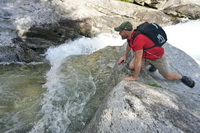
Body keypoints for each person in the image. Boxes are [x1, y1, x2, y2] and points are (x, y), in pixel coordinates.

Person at [114, 21, 195, 88]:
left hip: (157, 58)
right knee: (131, 66)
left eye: (120, 32)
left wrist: (134, 77)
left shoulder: (138, 40)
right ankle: (152, 65)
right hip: (146, 56)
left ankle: (183, 78)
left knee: (167, 76)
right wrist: (124, 55)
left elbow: (138, 60)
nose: (119, 33)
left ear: (126, 32)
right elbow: (129, 44)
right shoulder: (132, 36)